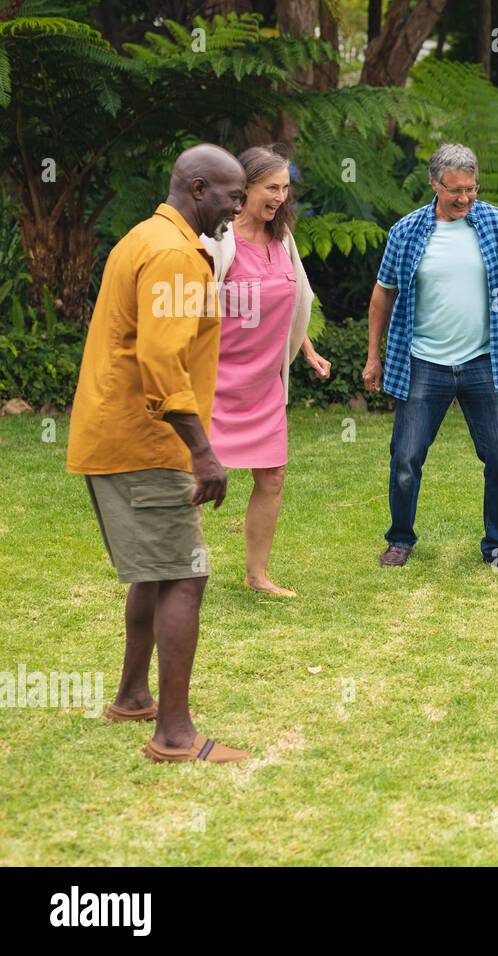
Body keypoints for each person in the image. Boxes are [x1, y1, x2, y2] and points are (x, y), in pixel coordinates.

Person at [67, 144, 250, 763]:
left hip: (117, 434)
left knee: (157, 570)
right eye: (232, 197)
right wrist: (202, 451)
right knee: (184, 576)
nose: (240, 208)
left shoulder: (144, 237)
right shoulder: (175, 254)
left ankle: (132, 696)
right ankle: (173, 734)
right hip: (148, 442)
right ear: (198, 188)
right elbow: (159, 359)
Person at [363, 143, 498, 572]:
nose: (466, 198)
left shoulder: (497, 222)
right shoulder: (407, 231)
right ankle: (400, 540)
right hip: (423, 362)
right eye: (456, 191)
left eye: (472, 189)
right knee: (406, 459)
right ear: (434, 184)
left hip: (485, 361)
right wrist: (373, 356)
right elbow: (383, 294)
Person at [202, 144, 332, 598]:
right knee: (197, 479)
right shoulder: (218, 241)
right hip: (217, 381)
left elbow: (289, 302)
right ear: (245, 187)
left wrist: (306, 348)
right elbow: (193, 309)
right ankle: (177, 571)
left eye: (285, 189)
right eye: (271, 188)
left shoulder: (284, 241)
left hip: (265, 382)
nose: (280, 197)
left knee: (272, 476)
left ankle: (257, 575)